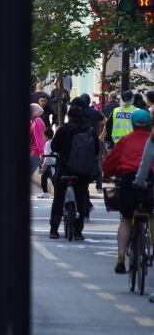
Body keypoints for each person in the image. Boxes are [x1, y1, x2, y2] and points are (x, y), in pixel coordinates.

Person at [103, 109, 153, 273]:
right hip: (151, 179)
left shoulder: (125, 140)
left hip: (128, 180)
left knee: (125, 219)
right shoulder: (150, 139)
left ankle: (121, 257)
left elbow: (110, 163)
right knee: (152, 214)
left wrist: (109, 172)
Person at [49, 100, 99, 240]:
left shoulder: (63, 130)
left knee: (58, 198)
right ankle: (77, 231)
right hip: (83, 172)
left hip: (64, 170)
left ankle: (54, 230)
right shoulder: (90, 130)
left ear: (69, 117)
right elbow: (96, 151)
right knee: (81, 198)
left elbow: (54, 147)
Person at [39, 128, 56, 198]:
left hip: (51, 165)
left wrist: (43, 164)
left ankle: (46, 193)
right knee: (45, 176)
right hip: (55, 164)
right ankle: (45, 193)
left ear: (46, 136)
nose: (43, 137)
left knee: (52, 179)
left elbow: (48, 156)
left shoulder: (48, 143)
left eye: (43, 135)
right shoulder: (54, 142)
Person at [30, 104, 46, 176]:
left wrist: (41, 153)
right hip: (33, 152)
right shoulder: (33, 121)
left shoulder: (37, 121)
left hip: (36, 153)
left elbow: (39, 138)